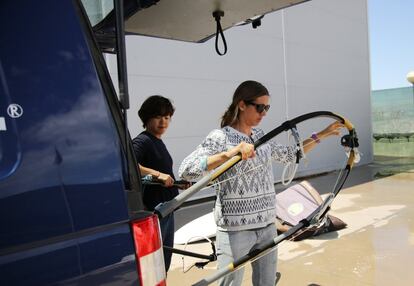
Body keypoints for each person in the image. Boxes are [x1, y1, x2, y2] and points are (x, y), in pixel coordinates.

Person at [178, 80, 343, 286]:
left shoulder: (260, 136)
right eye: (260, 107)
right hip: (236, 231)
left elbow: (290, 155)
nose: (264, 113)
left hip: (266, 225)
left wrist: (323, 134)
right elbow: (186, 169)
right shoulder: (220, 137)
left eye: (267, 108)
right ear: (242, 105)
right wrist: (231, 153)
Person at [132, 95, 179, 272]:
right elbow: (129, 165)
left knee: (164, 264)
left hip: (168, 209)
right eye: (158, 116)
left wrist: (178, 184)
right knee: (155, 267)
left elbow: (161, 178)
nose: (163, 121)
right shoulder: (142, 141)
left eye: (167, 117)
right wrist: (158, 174)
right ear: (147, 117)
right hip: (155, 211)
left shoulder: (158, 141)